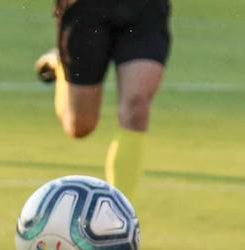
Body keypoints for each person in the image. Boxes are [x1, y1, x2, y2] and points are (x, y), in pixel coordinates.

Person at [35, 0, 171, 202]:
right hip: (86, 9)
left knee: (137, 106)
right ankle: (60, 65)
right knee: (80, 126)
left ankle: (119, 212)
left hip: (145, 9)